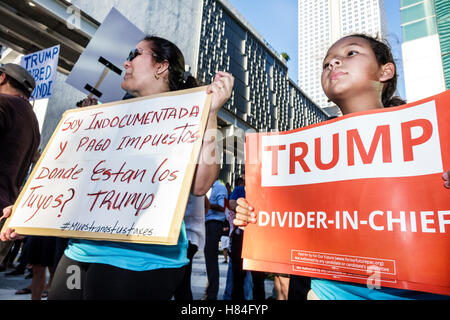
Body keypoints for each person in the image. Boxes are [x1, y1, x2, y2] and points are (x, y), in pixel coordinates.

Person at [1, 36, 234, 300]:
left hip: (140, 260)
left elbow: (201, 185)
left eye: (135, 54)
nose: (126, 61)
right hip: (79, 252)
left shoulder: (191, 114)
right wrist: (30, 212)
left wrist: (211, 113)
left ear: (161, 66)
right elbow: (73, 179)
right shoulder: (105, 116)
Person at [234, 34, 450, 300]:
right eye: (326, 64)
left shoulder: (438, 135)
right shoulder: (301, 155)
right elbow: (295, 225)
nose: (333, 63)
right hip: (326, 293)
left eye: (351, 54)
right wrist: (257, 216)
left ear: (386, 71)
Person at [229, 175, 265, 300]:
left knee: (258, 279)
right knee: (238, 276)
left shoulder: (263, 189)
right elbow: (231, 202)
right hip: (240, 239)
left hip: (258, 241)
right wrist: (241, 207)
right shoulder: (239, 190)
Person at [173, 193, 206, 300]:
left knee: (181, 284)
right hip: (192, 234)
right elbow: (208, 205)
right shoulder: (199, 186)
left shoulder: (187, 180)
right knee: (183, 283)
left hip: (185, 235)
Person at [204, 179, 228, 300]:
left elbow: (223, 207)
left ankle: (211, 294)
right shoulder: (210, 187)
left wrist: (207, 203)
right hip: (208, 224)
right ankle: (209, 292)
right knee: (209, 260)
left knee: (211, 260)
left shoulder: (219, 187)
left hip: (214, 224)